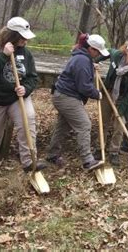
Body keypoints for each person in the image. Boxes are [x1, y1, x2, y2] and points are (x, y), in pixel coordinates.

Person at [0, 17, 45, 181]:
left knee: (28, 122)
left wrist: (26, 88)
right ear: (11, 35)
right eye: (22, 37)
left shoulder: (26, 53)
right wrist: (4, 55)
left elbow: (32, 77)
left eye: (26, 37)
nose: (25, 41)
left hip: (17, 97)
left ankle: (29, 161)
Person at [46, 34, 109, 171]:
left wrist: (92, 67)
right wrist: (96, 94)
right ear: (91, 49)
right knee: (84, 124)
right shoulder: (82, 60)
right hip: (67, 97)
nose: (98, 54)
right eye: (97, 52)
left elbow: (82, 75)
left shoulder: (83, 58)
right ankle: (87, 160)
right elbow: (84, 86)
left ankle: (52, 154)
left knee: (63, 126)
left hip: (63, 95)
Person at [95, 41, 128, 166]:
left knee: (119, 126)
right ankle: (100, 148)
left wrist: (120, 110)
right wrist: (95, 61)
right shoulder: (116, 56)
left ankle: (114, 152)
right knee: (103, 122)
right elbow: (108, 51)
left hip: (122, 99)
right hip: (108, 92)